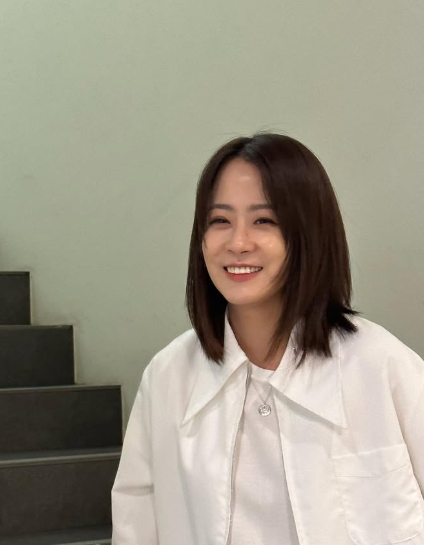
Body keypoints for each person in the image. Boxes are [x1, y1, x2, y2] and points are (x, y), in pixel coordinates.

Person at [111, 133, 424, 545]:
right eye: (220, 220)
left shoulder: (381, 364)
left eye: (265, 221)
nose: (238, 243)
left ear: (309, 234)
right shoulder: (168, 376)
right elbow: (137, 524)